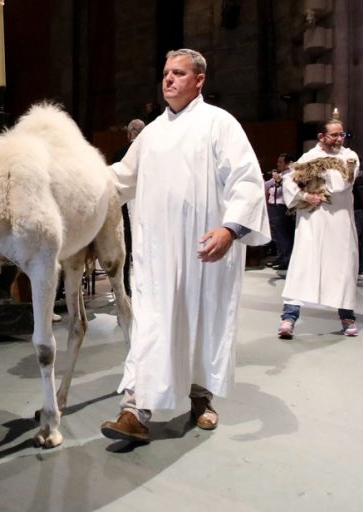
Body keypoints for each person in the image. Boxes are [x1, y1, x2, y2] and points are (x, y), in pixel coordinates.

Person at [101, 48, 270, 443]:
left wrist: (230, 229)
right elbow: (119, 180)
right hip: (157, 256)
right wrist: (72, 177)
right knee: (151, 325)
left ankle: (201, 398)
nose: (168, 80)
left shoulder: (219, 124)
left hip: (204, 251)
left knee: (202, 323)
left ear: (199, 80)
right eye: (165, 73)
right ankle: (135, 408)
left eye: (178, 73)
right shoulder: (151, 136)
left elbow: (246, 179)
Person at [277, 118, 361, 339]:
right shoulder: (309, 158)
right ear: (322, 137)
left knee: (342, 270)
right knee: (302, 267)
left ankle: (347, 317)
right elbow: (289, 180)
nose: (339, 139)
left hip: (340, 224)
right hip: (312, 222)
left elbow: (340, 184)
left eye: (342, 134)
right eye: (334, 135)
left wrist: (314, 175)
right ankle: (288, 318)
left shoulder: (350, 157)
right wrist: (306, 195)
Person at [111, 118, 146, 297]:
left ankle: (124, 287)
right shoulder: (150, 153)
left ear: (129, 134)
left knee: (125, 248)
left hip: (123, 210)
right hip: (146, 207)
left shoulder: (119, 154)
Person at [265, 153, 296, 271]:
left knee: (284, 236)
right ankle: (280, 256)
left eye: (280, 162)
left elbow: (289, 190)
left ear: (288, 163)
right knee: (276, 235)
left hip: (283, 207)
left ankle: (287, 260)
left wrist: (279, 181)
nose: (278, 164)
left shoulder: (291, 175)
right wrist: (275, 180)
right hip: (273, 206)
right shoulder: (279, 175)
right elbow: (265, 185)